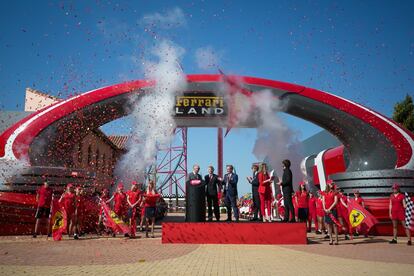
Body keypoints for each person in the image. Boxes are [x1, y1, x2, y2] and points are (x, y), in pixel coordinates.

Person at [323, 180, 339, 245]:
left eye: (332, 184)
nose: (332, 185)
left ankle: (336, 240)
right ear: (328, 184)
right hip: (327, 211)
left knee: (335, 225)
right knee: (329, 225)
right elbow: (323, 202)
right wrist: (325, 209)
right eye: (331, 184)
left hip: (333, 210)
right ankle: (330, 239)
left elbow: (335, 202)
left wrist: (329, 208)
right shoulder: (324, 192)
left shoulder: (335, 192)